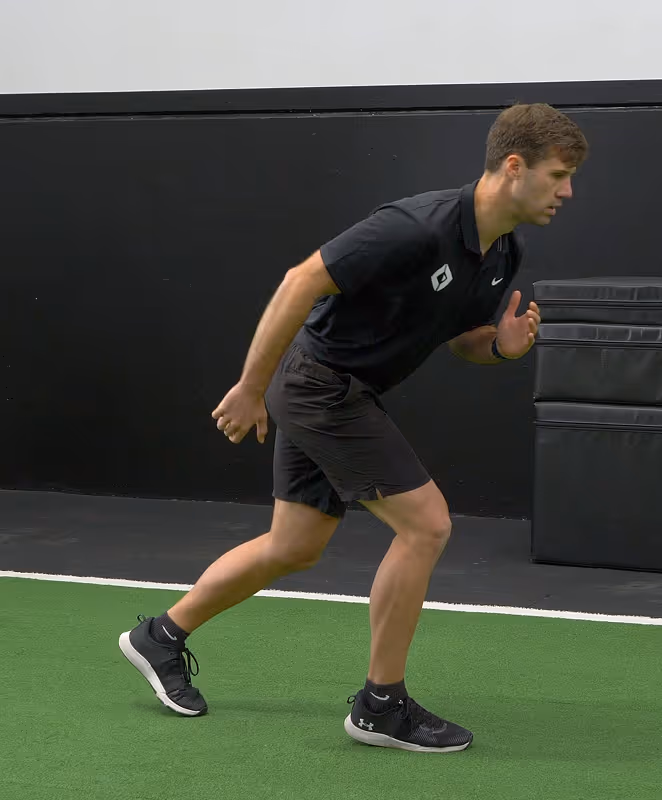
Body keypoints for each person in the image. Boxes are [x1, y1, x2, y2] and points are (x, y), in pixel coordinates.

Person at [118, 102, 588, 753]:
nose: (567, 191)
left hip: (346, 391)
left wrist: (501, 346)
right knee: (427, 525)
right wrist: (251, 388)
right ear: (515, 167)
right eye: (559, 175)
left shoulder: (504, 252)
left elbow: (460, 342)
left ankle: (160, 636)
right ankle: (380, 706)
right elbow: (300, 280)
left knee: (295, 545)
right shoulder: (416, 227)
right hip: (320, 387)